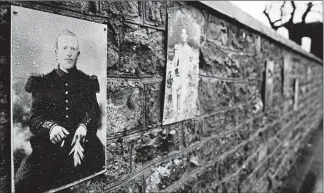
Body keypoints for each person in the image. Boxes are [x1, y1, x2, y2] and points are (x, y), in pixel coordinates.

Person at [15, 30, 105, 193]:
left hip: (84, 145)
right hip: (49, 150)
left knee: (101, 171)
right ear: (57, 53)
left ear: (78, 55)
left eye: (73, 49)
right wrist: (51, 127)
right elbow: (35, 118)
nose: (69, 53)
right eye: (64, 48)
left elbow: (94, 111)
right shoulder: (43, 83)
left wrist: (84, 126)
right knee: (23, 181)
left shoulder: (87, 82)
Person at [171, 28, 194, 117]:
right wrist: (174, 76)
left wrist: (189, 73)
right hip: (179, 76)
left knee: (184, 90)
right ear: (180, 36)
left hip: (186, 77)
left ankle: (180, 112)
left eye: (185, 34)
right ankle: (174, 111)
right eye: (182, 34)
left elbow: (192, 65)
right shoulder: (178, 48)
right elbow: (174, 63)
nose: (184, 35)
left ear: (187, 36)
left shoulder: (189, 49)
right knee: (173, 87)